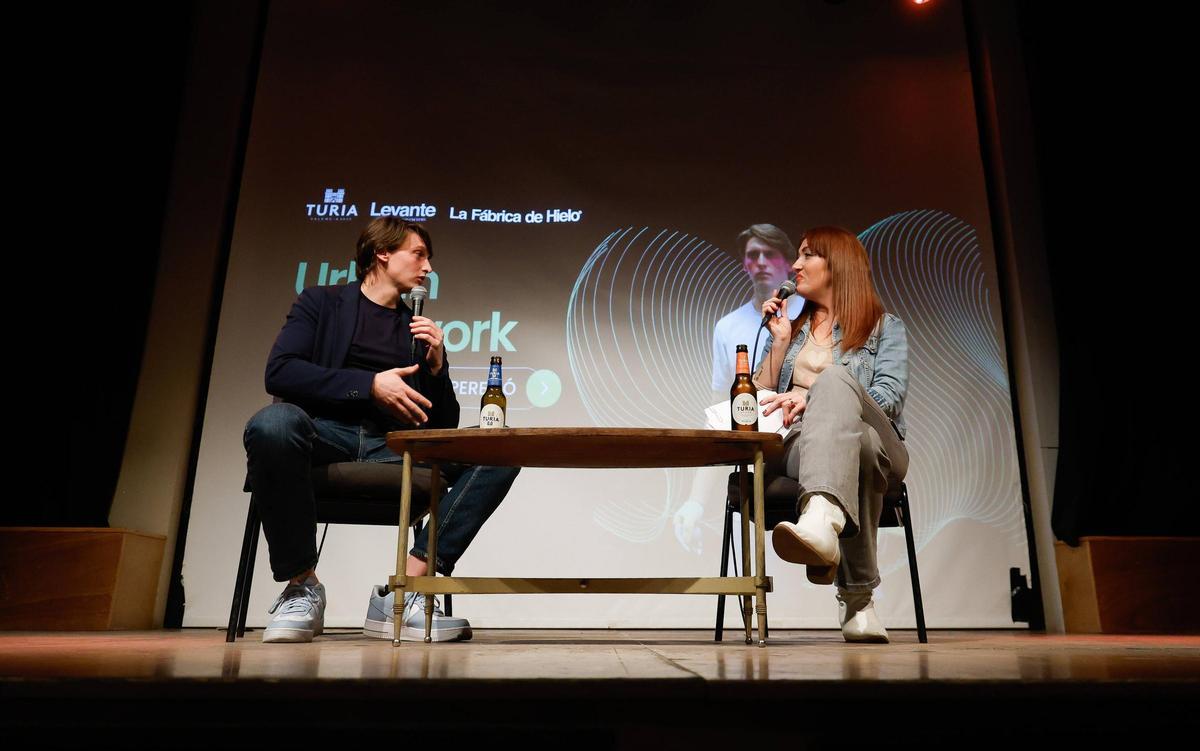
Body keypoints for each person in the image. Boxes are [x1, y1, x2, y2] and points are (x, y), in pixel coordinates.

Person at [243, 217, 520, 643]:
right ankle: (302, 586)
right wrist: (369, 385)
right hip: (323, 435)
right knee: (272, 423)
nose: (428, 268)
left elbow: (440, 425)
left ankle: (402, 589)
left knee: (499, 450)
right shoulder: (321, 302)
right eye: (419, 254)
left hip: (392, 445)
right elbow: (280, 372)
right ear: (382, 253)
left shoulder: (414, 328)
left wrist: (437, 366)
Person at [755, 226, 909, 643]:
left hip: (880, 437)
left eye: (807, 255)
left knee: (840, 390)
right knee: (858, 448)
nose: (795, 265)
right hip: (803, 444)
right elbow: (758, 401)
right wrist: (780, 343)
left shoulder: (883, 327)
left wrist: (820, 395)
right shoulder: (793, 329)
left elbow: (890, 398)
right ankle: (858, 601)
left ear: (837, 265)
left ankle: (821, 521)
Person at [710, 224, 803, 392]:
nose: (761, 262)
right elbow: (721, 397)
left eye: (769, 254)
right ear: (744, 265)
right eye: (753, 255)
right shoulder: (726, 327)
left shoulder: (813, 312)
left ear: (789, 263)